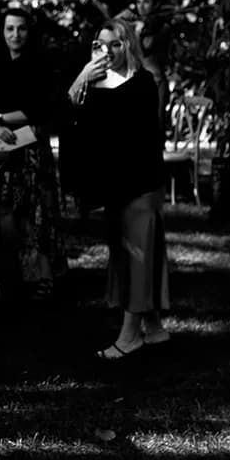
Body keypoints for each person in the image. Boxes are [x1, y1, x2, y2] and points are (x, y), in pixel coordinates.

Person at [67, 18, 172, 361]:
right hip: (113, 185)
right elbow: (69, 118)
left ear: (128, 45)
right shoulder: (94, 83)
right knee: (127, 254)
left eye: (116, 44)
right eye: (101, 44)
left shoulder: (143, 82)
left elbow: (135, 136)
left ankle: (130, 338)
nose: (108, 51)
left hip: (139, 183)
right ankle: (154, 329)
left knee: (140, 257)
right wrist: (83, 77)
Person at [0, 6, 67, 301]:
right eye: (9, 28)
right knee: (1, 213)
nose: (15, 35)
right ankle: (7, 275)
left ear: (30, 31)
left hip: (29, 151)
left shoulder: (40, 64)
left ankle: (43, 275)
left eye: (21, 28)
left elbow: (38, 109)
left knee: (36, 214)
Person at [118, 0, 173, 126]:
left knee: (155, 126)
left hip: (155, 83)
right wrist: (119, 18)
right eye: (138, 2)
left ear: (155, 4)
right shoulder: (136, 24)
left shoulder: (162, 27)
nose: (141, 7)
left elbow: (144, 52)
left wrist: (136, 33)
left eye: (146, 2)